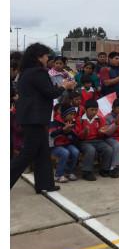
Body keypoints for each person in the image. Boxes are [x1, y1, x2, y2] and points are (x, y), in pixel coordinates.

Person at [12, 42, 76, 193]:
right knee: (27, 154)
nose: (48, 58)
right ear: (39, 57)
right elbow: (50, 93)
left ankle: (45, 184)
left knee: (42, 152)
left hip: (31, 117)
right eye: (46, 55)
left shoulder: (26, 71)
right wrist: (64, 86)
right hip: (35, 118)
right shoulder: (37, 72)